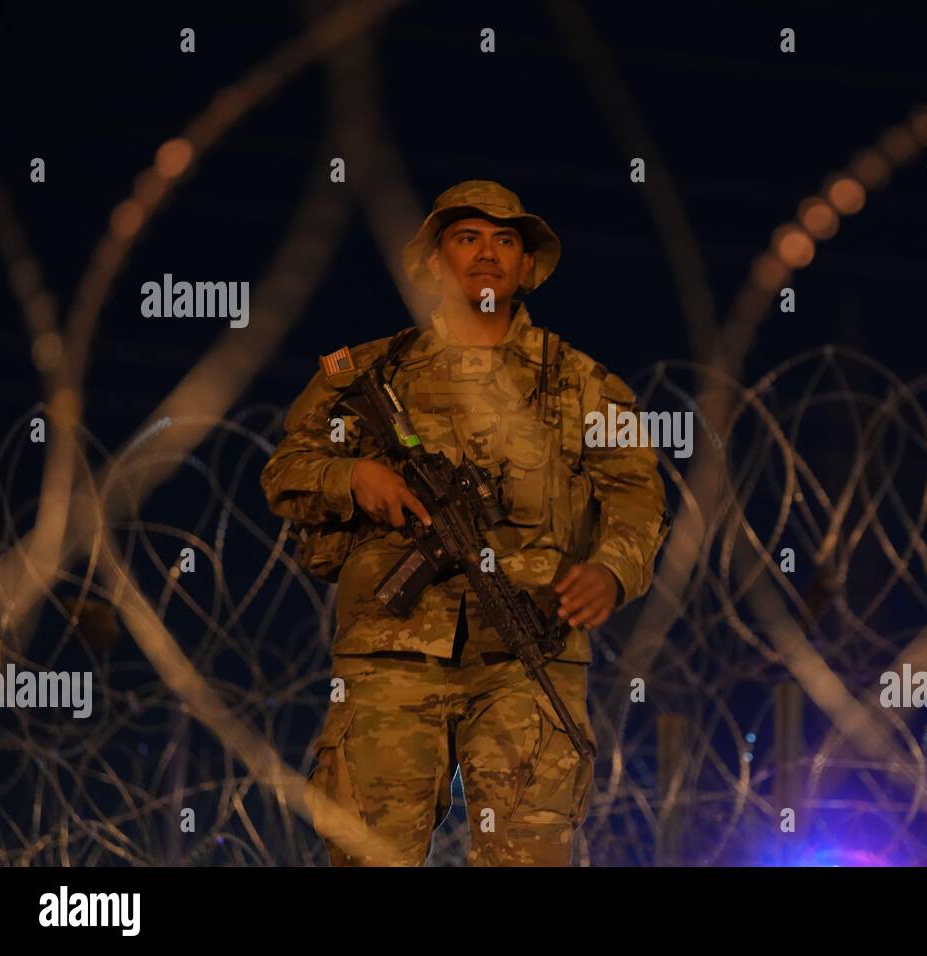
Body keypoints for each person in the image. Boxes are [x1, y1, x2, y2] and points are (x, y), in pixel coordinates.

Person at [260, 179, 669, 866]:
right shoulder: (366, 373)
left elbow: (637, 495)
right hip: (391, 654)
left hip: (530, 648)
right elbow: (285, 471)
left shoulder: (580, 384)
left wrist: (611, 570)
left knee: (527, 853)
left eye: (506, 240)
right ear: (432, 260)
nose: (488, 253)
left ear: (527, 266)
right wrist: (354, 477)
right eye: (468, 237)